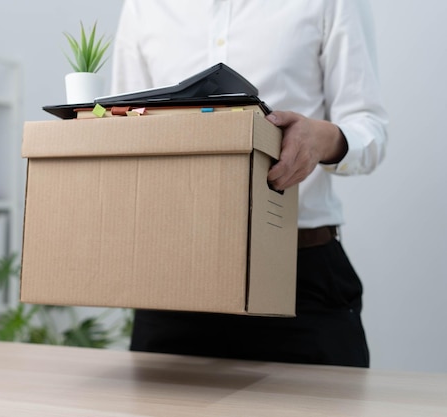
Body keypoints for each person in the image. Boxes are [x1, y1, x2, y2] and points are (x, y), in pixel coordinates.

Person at [109, 0, 388, 367]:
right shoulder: (145, 8)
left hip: (298, 275)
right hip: (175, 274)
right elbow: (122, 126)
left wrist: (318, 139)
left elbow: (369, 127)